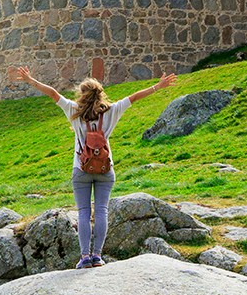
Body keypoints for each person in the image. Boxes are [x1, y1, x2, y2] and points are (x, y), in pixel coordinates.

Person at [11, 66, 179, 269]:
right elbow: (133, 98)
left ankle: (84, 257)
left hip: (81, 169)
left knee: (83, 212)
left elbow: (53, 93)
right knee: (101, 211)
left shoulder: (73, 110)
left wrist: (31, 80)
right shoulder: (112, 111)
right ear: (100, 93)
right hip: (105, 170)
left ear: (82, 95)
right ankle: (97, 256)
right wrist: (158, 86)